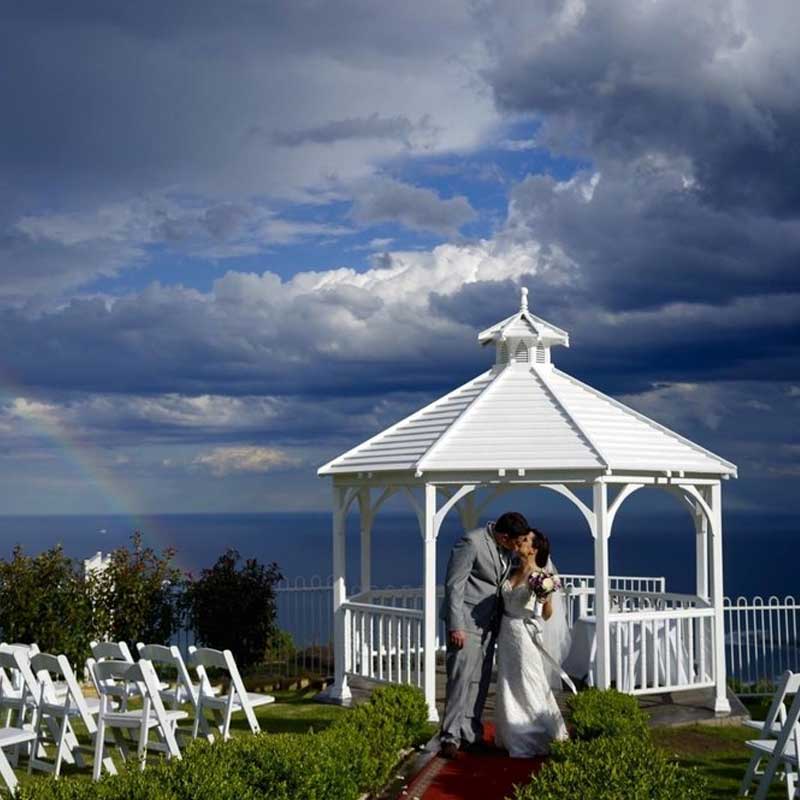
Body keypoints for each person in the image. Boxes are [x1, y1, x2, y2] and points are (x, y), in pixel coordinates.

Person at [438, 511, 530, 759]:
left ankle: (471, 734)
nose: (518, 546)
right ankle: (450, 737)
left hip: (490, 624)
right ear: (503, 536)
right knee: (460, 680)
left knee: (479, 681)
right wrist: (455, 625)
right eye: (516, 541)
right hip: (465, 623)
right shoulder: (471, 542)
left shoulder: (506, 549)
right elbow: (454, 584)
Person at [494, 528, 570, 757]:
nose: (520, 542)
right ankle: (510, 733)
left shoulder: (541, 577)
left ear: (534, 549)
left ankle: (535, 734)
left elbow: (547, 615)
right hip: (506, 633)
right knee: (508, 681)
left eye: (525, 540)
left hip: (524, 633)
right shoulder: (511, 570)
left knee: (529, 679)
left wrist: (545, 598)